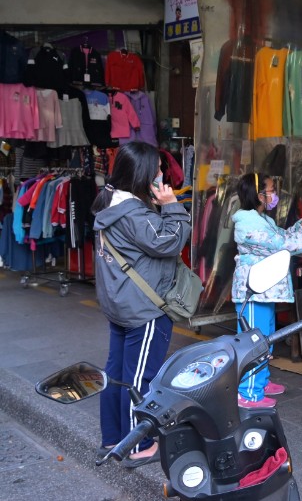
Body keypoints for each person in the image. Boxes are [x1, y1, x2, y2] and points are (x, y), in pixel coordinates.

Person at [92, 141, 192, 468]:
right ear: (141, 174)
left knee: (117, 373)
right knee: (140, 380)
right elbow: (169, 241)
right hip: (143, 310)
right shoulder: (133, 212)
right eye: (158, 170)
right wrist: (173, 205)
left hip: (119, 304)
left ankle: (113, 438)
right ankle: (138, 444)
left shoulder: (110, 201)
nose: (162, 175)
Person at [232, 172, 302, 408]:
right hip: (252, 292)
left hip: (265, 290)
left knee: (265, 339)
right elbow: (282, 246)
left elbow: (282, 235)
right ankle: (248, 393)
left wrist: (300, 226)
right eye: (271, 190)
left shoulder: (263, 221)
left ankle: (260, 381)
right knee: (254, 343)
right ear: (259, 195)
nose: (275, 195)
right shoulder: (248, 224)